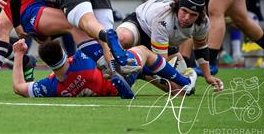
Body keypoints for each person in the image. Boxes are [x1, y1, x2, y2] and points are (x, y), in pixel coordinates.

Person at [10, 0, 129, 68]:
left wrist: (16, 24)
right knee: (103, 35)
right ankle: (116, 69)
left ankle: (105, 46)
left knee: (86, 24)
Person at [12, 39, 199, 98]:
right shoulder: (81, 57)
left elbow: (18, 86)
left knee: (143, 72)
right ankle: (184, 81)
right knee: (143, 52)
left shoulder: (50, 86)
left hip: (108, 91)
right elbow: (101, 41)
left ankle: (177, 90)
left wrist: (19, 55)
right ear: (63, 52)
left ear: (46, 63)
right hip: (117, 76)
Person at [115, 0, 223, 90]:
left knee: (180, 90)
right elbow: (160, 61)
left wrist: (208, 76)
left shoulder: (202, 22)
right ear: (178, 7)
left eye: (193, 15)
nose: (186, 17)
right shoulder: (164, 18)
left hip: (166, 43)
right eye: (184, 11)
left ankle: (140, 72)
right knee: (123, 38)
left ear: (199, 16)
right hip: (140, 26)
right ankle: (115, 65)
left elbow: (201, 47)